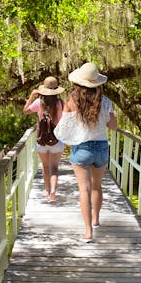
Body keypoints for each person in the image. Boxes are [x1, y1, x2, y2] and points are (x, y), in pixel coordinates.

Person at [53, 62, 117, 242]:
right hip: (102, 148)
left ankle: (88, 232)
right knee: (97, 186)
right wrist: (106, 118)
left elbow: (62, 128)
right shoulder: (106, 102)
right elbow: (113, 126)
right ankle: (96, 219)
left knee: (84, 190)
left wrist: (73, 136)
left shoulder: (72, 100)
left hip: (82, 149)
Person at [23, 76, 66, 202]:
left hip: (41, 140)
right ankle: (53, 191)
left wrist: (32, 96)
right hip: (56, 140)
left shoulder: (39, 103)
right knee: (54, 168)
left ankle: (47, 192)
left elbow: (25, 111)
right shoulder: (60, 104)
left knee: (45, 167)